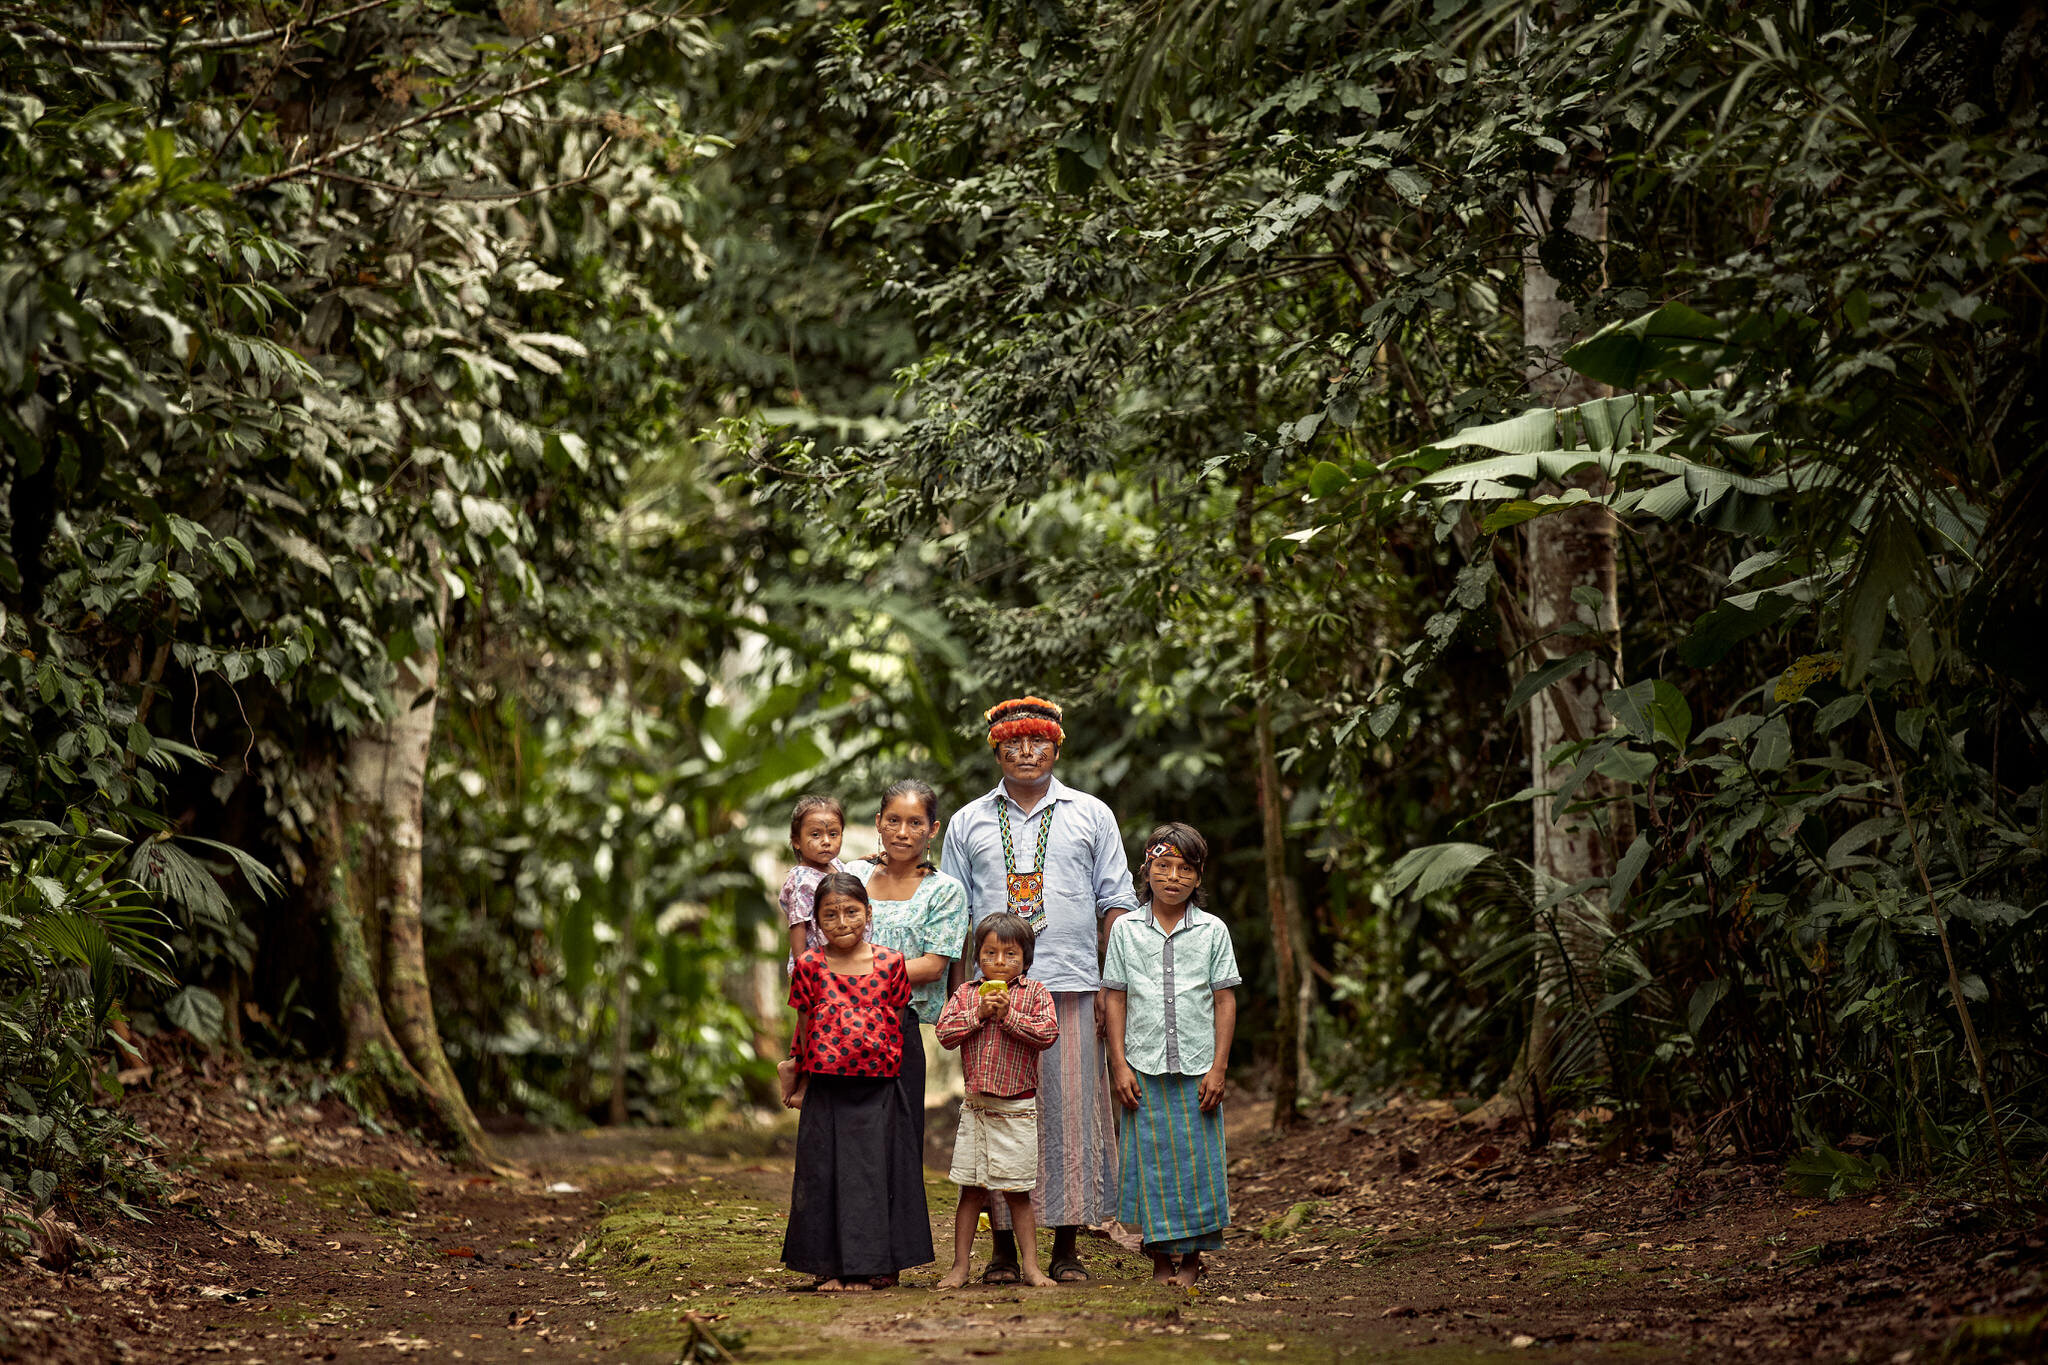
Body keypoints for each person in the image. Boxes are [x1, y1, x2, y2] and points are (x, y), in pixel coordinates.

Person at [939, 695, 1138, 1284]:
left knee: (1068, 1118)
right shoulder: (967, 821)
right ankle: (1002, 1251)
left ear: (1056, 747)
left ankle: (1065, 1248)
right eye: (1014, 743)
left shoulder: (1092, 814)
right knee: (997, 1113)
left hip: (1073, 986)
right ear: (997, 749)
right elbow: (952, 915)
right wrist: (960, 995)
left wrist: (1111, 988)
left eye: (1038, 742)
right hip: (991, 995)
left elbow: (1116, 903)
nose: (1026, 752)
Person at [779, 873, 933, 1291]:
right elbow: (803, 1025)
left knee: (874, 1174)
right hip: (827, 1088)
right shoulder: (809, 965)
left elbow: (898, 1021)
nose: (842, 922)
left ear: (868, 914)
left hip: (879, 1087)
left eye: (851, 911)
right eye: (830, 915)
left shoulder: (892, 963)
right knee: (824, 1174)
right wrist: (800, 1075)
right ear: (816, 921)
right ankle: (828, 1268)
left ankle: (876, 1267)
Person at [1102, 822, 1240, 1288]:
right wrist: (1119, 1064)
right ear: (1147, 870)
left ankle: (1192, 1259)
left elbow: (1224, 1000)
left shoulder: (1213, 931)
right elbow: (1115, 998)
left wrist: (1219, 1068)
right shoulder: (1125, 930)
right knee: (1151, 1163)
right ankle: (1160, 1261)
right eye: (1164, 866)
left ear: (1199, 877)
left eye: (1185, 868)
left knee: (1198, 1163)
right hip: (1142, 1065)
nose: (1174, 877)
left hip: (1198, 1066)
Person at [858, 778, 971, 1227]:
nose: (903, 832)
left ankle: (895, 1245)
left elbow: (932, 966)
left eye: (915, 823)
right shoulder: (853, 877)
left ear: (932, 829)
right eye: (893, 821)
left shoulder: (945, 891)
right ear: (878, 823)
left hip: (898, 1027)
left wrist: (854, 974)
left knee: (898, 1137)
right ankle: (848, 1242)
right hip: (841, 1027)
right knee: (850, 1136)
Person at [934, 914, 1060, 1289]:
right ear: (977, 957)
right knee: (971, 1192)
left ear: (1026, 959)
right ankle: (960, 1268)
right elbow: (944, 1033)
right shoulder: (966, 994)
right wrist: (979, 1013)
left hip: (1017, 1111)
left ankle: (1032, 1268)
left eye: (1010, 954)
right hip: (976, 1109)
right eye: (990, 953)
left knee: (1018, 1193)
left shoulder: (1035, 993)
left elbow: (1048, 1033)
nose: (1000, 961)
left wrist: (1008, 1016)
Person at [776, 795, 846, 1105]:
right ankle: (800, 1077)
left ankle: (798, 1069)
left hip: (834, 964)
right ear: (796, 841)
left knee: (823, 1024)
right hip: (814, 967)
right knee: (813, 1027)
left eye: (833, 833)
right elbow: (798, 924)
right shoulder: (803, 879)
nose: (825, 841)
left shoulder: (836, 866)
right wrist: (803, 967)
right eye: (815, 835)